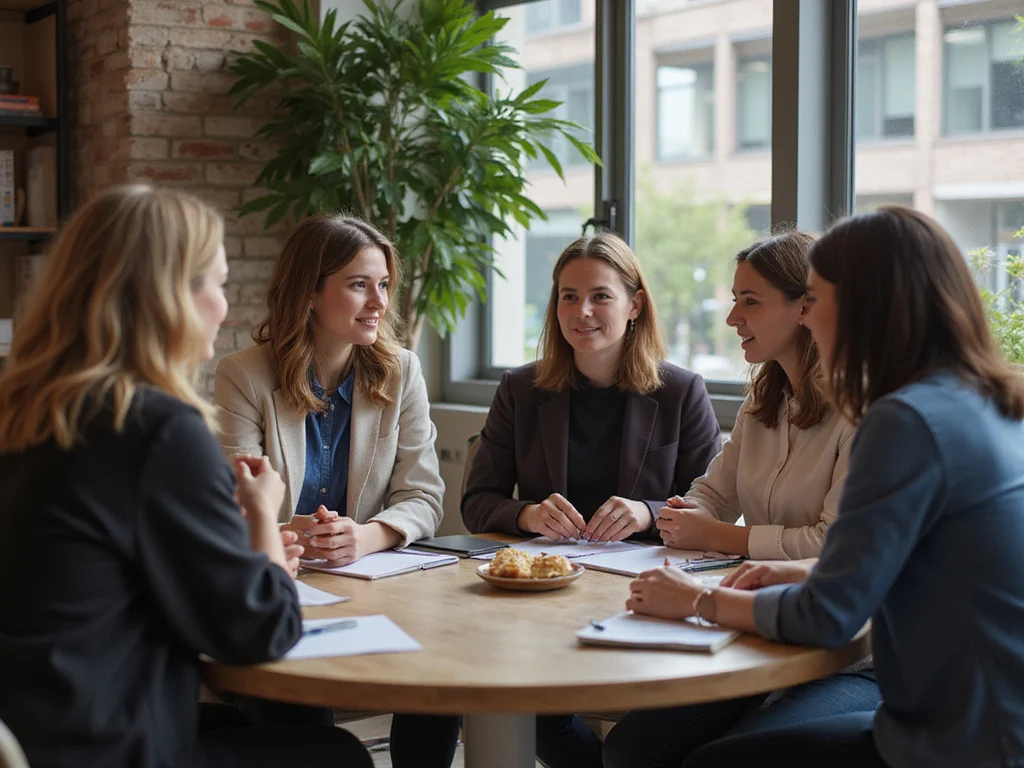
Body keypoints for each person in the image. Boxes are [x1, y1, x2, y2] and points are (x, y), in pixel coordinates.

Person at [628, 206, 1024, 768]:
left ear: (866, 308)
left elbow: (829, 616)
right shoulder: (980, 400)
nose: (809, 319)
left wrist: (698, 600)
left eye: (816, 299)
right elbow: (927, 562)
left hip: (957, 742)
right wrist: (811, 568)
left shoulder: (904, 420)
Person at [0, 185, 371, 768]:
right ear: (169, 296)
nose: (225, 307)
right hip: (104, 743)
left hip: (31, 728)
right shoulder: (156, 427)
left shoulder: (25, 413)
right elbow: (260, 633)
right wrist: (261, 519)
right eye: (216, 285)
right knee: (335, 755)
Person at [603, 230, 878, 768]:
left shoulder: (863, 407)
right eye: (734, 300)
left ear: (805, 308)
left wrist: (719, 536)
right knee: (630, 749)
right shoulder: (764, 395)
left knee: (722, 757)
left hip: (851, 655)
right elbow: (714, 491)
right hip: (764, 630)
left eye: (749, 301)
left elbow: (833, 545)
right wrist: (689, 513)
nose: (732, 319)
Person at [462, 232, 722, 768]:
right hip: (544, 599)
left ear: (635, 304)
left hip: (645, 594)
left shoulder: (681, 391)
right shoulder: (520, 389)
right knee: (523, 707)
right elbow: (477, 500)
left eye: (601, 296)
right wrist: (526, 513)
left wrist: (649, 511)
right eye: (568, 296)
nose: (582, 312)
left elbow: (713, 509)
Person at [214, 213, 455, 768]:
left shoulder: (401, 372)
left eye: (384, 285)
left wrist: (367, 536)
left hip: (376, 584)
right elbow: (232, 503)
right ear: (310, 293)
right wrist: (294, 531)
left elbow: (424, 496)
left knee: (442, 674)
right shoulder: (245, 376)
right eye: (358, 284)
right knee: (299, 709)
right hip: (285, 585)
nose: (379, 302)